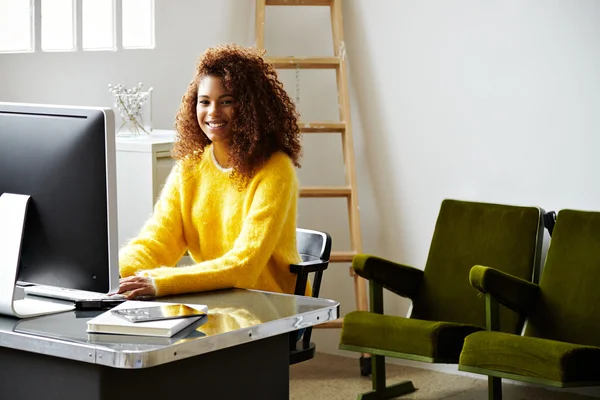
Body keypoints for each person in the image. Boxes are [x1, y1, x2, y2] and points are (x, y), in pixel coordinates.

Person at [118, 43, 304, 300]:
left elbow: (244, 266)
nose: (213, 112)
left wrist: (159, 282)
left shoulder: (275, 169)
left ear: (251, 107)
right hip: (210, 303)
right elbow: (156, 241)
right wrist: (117, 273)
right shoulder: (190, 166)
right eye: (204, 102)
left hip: (268, 308)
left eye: (226, 101)